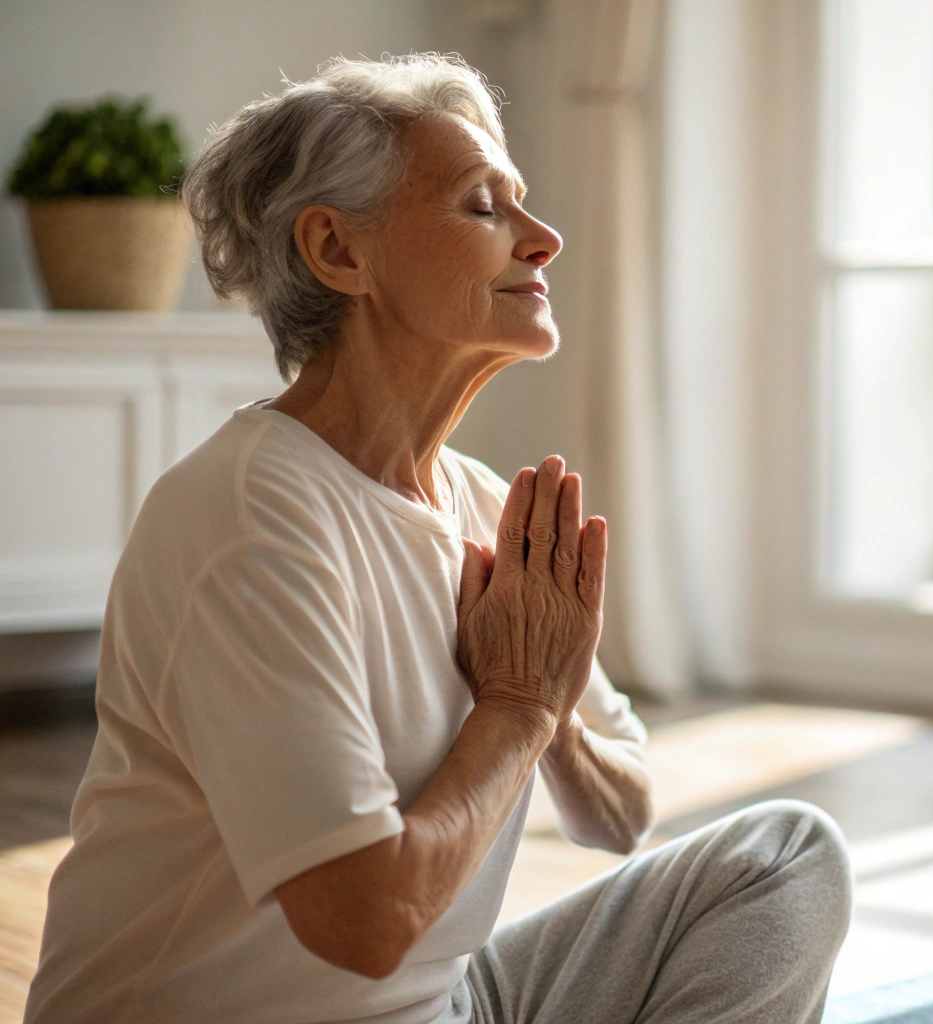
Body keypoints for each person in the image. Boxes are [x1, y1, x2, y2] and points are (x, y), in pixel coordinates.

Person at [24, 54, 851, 1024]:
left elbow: (621, 811)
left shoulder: (480, 506)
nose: (542, 240)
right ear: (338, 251)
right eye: (481, 207)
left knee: (785, 857)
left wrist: (548, 713)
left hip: (444, 1005)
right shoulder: (251, 518)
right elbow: (366, 924)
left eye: (523, 204)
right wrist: (510, 706)